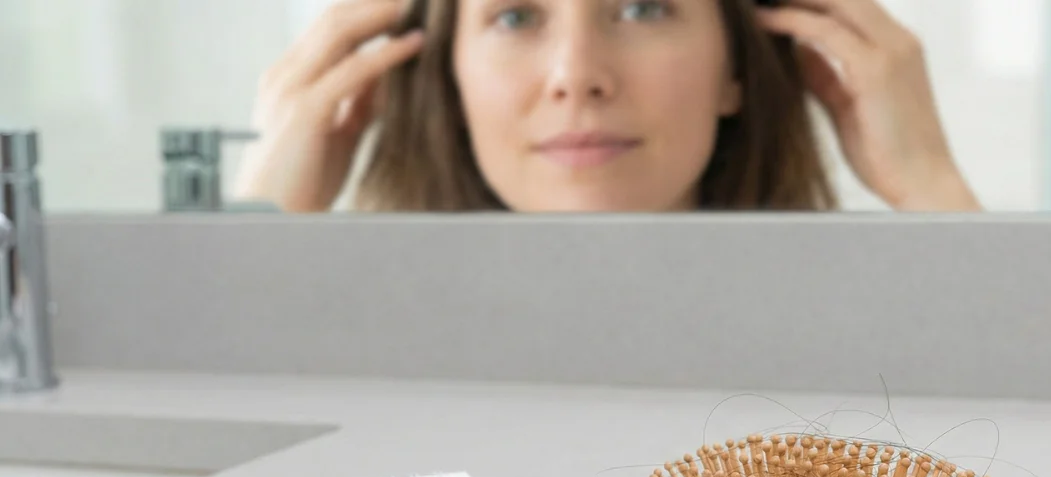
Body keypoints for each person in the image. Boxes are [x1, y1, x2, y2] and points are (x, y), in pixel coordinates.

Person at [234, 0, 980, 213]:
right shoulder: (363, 352)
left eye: (643, 9)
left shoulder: (866, 344)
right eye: (517, 18)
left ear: (735, 71)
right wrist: (265, 216)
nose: (576, 76)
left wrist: (930, 185)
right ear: (448, 84)